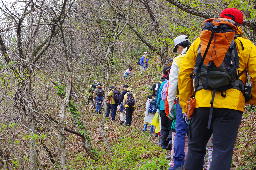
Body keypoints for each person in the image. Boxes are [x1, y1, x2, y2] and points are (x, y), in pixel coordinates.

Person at [178, 8, 256, 170]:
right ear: (239, 25)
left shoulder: (200, 42)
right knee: (222, 150)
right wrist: (251, 98)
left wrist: (186, 103)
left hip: (200, 103)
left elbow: (184, 72)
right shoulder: (246, 45)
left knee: (195, 148)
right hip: (231, 106)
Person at [167, 35, 191, 169]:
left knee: (180, 132)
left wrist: (170, 105)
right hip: (201, 100)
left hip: (183, 100)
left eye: (176, 49)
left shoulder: (179, 60)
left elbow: (173, 84)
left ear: (179, 46)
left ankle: (177, 164)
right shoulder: (198, 54)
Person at [157, 66, 172, 150]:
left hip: (163, 107)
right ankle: (170, 140)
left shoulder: (163, 84)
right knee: (171, 125)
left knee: (164, 126)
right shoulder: (174, 82)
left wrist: (158, 106)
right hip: (171, 107)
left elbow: (159, 96)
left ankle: (163, 143)